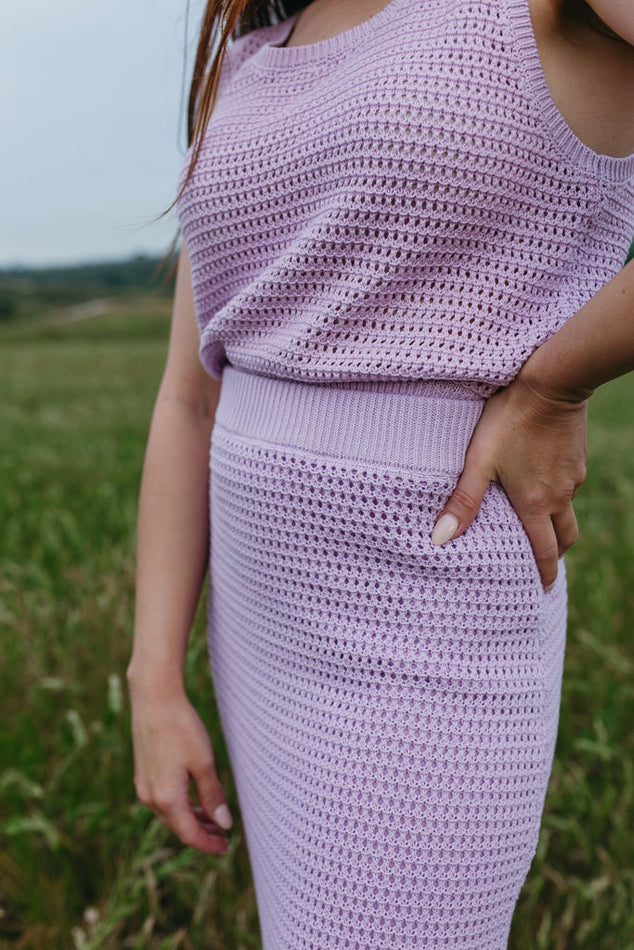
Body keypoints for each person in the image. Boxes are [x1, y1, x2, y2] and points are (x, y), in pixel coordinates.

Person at [126, 0, 634, 945]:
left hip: (426, 610)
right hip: (261, 624)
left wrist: (556, 386)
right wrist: (152, 677)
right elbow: (189, 396)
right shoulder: (255, 54)